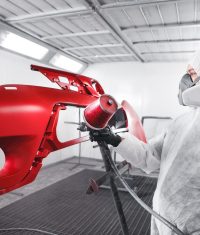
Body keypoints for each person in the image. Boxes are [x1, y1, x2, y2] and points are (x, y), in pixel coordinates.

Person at [91, 51, 200, 235]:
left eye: (192, 74)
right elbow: (148, 157)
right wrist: (115, 139)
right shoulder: (180, 123)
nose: (185, 82)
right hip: (162, 216)